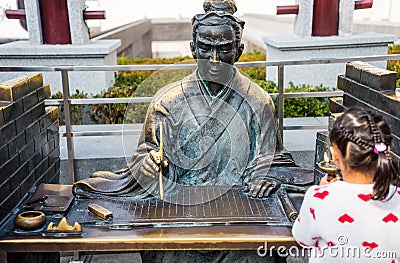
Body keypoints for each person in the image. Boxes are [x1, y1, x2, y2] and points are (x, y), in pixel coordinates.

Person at [72, 0, 307, 201]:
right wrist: (148, 164)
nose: (214, 59)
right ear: (193, 49)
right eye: (206, 48)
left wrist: (267, 176)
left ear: (239, 50)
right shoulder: (167, 101)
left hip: (239, 201)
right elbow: (150, 152)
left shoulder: (258, 102)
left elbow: (272, 161)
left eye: (224, 49)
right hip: (180, 199)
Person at [292, 106, 400, 262]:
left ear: (335, 154)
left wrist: (324, 190)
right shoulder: (397, 199)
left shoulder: (318, 198)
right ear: (386, 151)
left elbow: (302, 238)